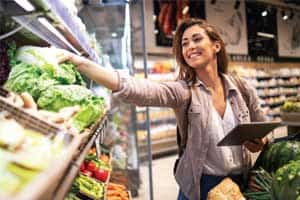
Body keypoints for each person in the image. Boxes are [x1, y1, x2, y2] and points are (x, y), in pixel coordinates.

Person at [57, 18, 267, 200]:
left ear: (216, 46)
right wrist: (80, 63)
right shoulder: (184, 91)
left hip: (240, 183)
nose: (190, 46)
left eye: (196, 39)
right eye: (184, 43)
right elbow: (139, 89)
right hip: (199, 185)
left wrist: (259, 142)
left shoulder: (241, 88)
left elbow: (263, 129)